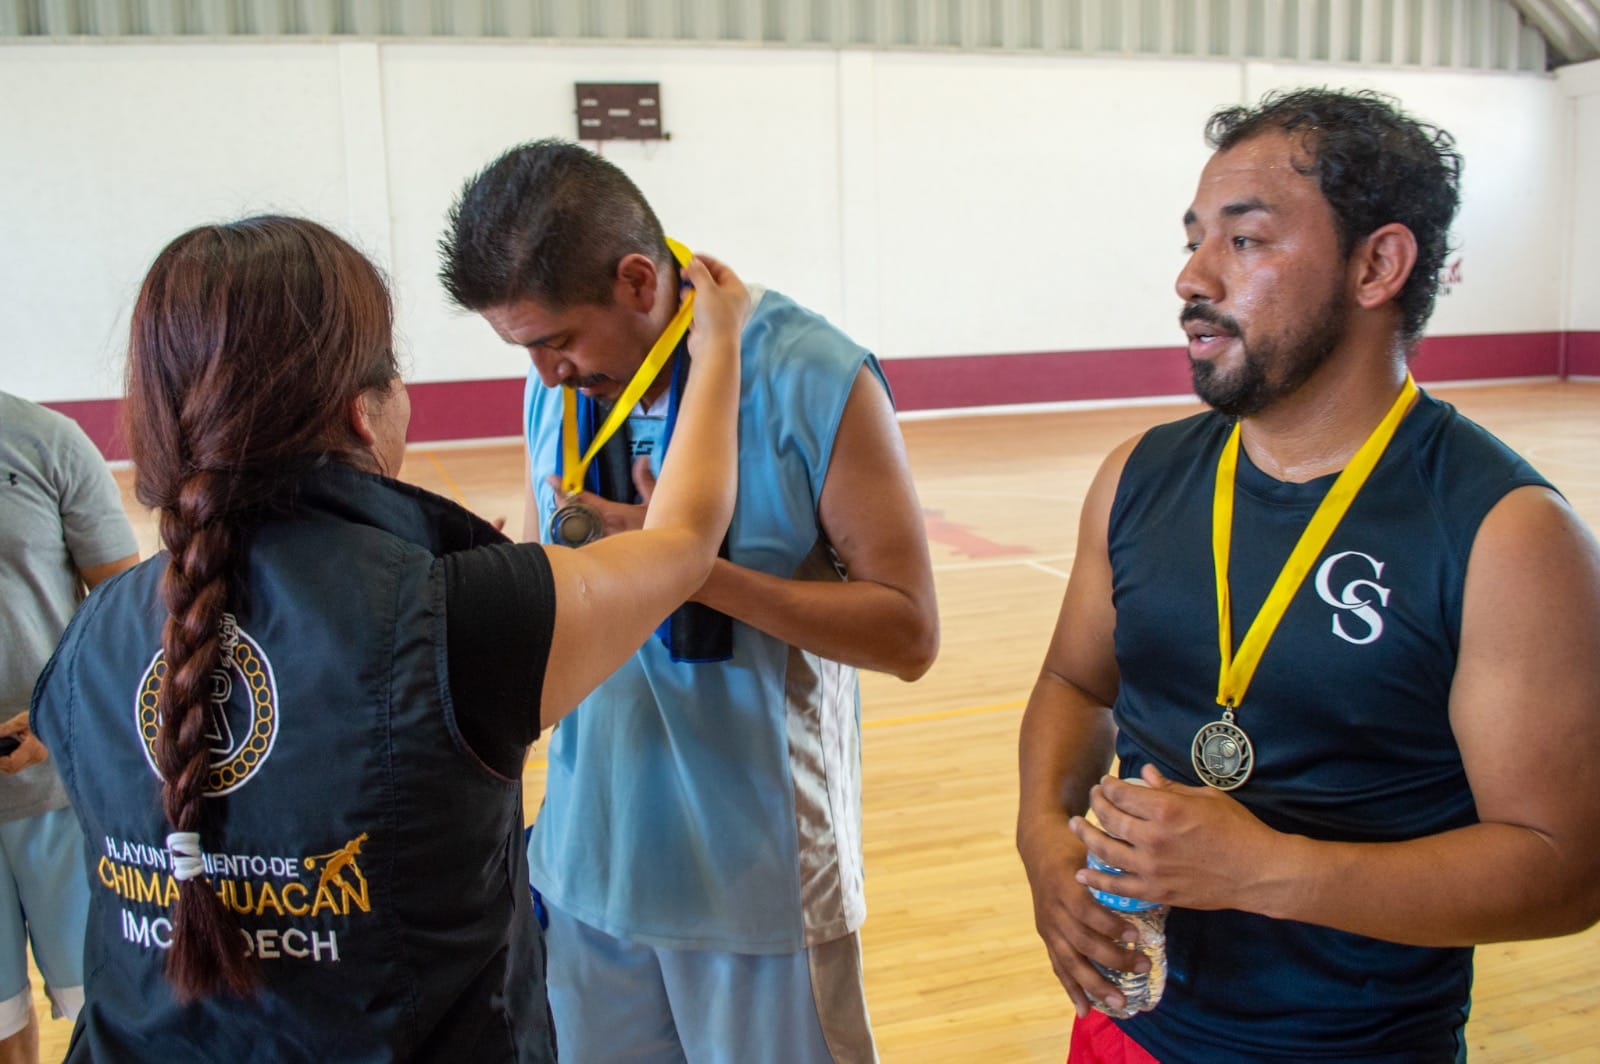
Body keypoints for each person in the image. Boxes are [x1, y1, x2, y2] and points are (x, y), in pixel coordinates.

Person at [29, 214, 747, 1061]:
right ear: (360, 413)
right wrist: (722, 341)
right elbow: (685, 541)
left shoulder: (88, 645)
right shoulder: (465, 618)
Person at [1016, 88, 1600, 1063]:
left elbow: (1563, 869)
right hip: (1127, 1026)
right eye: (1194, 236)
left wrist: (1265, 869)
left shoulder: (1507, 534)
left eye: (1243, 242)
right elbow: (1076, 685)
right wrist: (1042, 836)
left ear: (1377, 264)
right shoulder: (1136, 475)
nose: (1190, 276)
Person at [440, 141, 938, 1063]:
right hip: (589, 871)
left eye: (556, 339)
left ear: (638, 281)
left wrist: (684, 563)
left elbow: (909, 632)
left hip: (758, 889)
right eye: (525, 348)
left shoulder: (816, 377)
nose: (546, 372)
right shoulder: (556, 388)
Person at [0, 391, 138, 1064]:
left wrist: (58, 725)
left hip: (60, 796)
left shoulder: (44, 440)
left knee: (102, 1013)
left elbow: (126, 614)